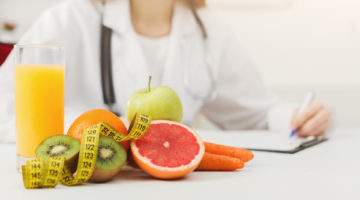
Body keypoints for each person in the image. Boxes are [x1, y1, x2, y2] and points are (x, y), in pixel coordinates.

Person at [0, 0, 331, 142]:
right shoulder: (68, 19)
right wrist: (89, 128)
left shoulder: (208, 29)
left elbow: (258, 112)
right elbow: (6, 107)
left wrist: (297, 118)